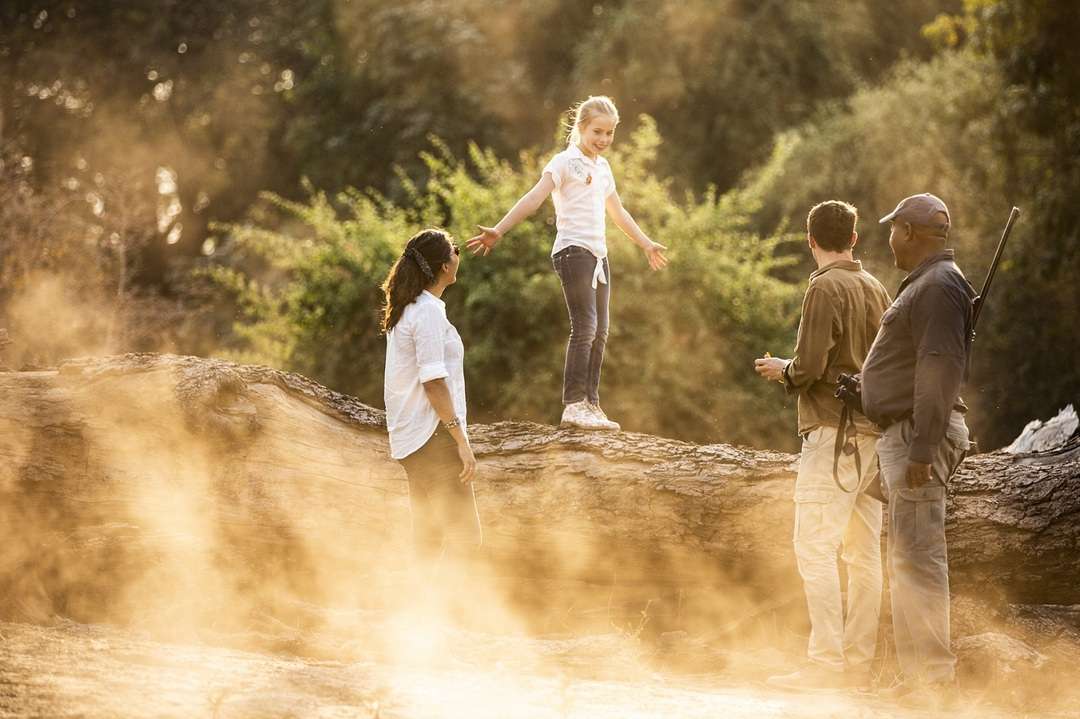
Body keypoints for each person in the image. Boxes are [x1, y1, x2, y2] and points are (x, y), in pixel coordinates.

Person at [466, 95, 668, 431]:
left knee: (601, 331)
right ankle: (573, 404)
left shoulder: (603, 168)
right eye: (597, 132)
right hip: (573, 253)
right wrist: (499, 230)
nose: (603, 140)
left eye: (609, 133)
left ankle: (591, 403)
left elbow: (618, 212)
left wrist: (646, 244)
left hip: (599, 257)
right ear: (581, 128)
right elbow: (534, 197)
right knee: (585, 327)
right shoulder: (564, 162)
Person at [754, 201, 892, 692]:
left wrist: (783, 371)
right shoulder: (876, 287)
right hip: (875, 436)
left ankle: (825, 663)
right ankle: (856, 662)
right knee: (863, 554)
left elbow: (811, 365)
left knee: (814, 546)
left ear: (810, 240)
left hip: (833, 433)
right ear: (853, 239)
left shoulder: (823, 287)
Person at [861, 193, 975, 708]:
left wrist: (924, 447)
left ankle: (932, 680)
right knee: (906, 559)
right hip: (905, 432)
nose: (889, 238)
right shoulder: (931, 285)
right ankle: (918, 678)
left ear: (909, 232)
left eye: (893, 229)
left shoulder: (936, 287)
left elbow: (939, 369)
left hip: (914, 437)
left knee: (920, 559)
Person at [382, 228, 481, 563]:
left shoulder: (408, 310)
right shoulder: (426, 312)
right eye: (454, 249)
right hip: (432, 438)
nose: (458, 255)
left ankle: (420, 611)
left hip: (412, 440)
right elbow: (434, 382)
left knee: (428, 538)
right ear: (444, 266)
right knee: (465, 539)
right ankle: (455, 612)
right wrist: (461, 440)